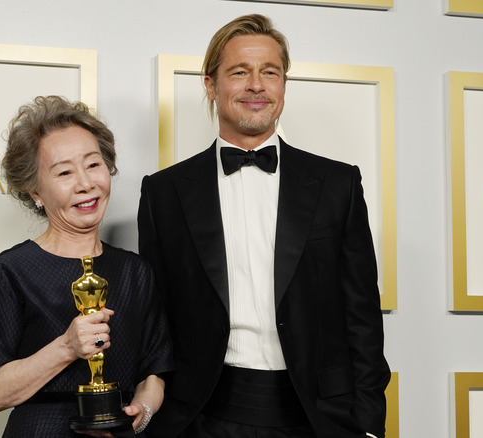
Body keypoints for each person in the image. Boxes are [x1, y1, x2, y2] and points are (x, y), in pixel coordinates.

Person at [137, 14, 390, 438]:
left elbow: (362, 317)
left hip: (318, 418)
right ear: (210, 85)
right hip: (202, 416)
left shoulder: (338, 184)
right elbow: (155, 319)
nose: (257, 85)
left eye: (269, 72)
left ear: (283, 86)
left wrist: (367, 424)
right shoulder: (164, 193)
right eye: (240, 72)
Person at [0, 95, 172, 437]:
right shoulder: (8, 272)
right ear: (35, 190)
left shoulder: (135, 272)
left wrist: (145, 409)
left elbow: (154, 372)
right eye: (64, 172)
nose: (85, 184)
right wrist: (66, 347)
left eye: (93, 165)